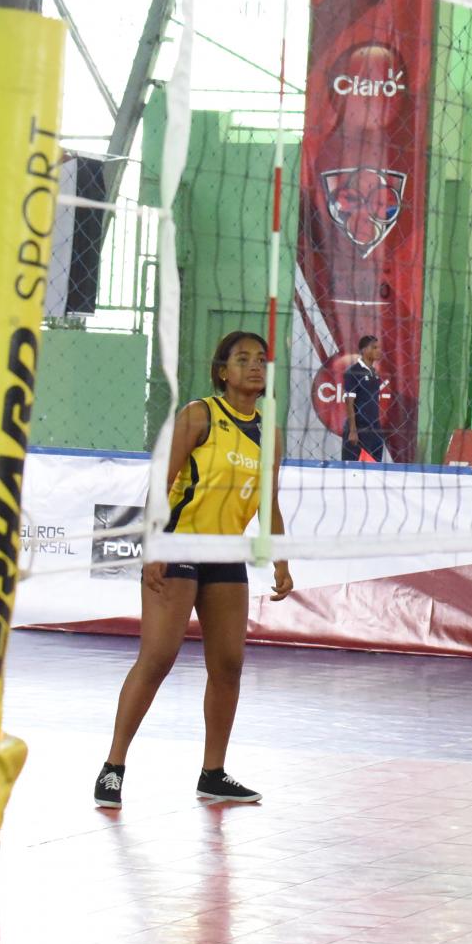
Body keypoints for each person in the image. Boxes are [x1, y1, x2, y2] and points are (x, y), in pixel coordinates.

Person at [97, 331, 294, 810]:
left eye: (260, 360)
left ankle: (213, 773)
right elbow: (160, 484)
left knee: (228, 665)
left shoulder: (270, 430)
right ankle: (113, 768)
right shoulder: (199, 415)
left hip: (226, 553)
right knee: (159, 656)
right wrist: (153, 545)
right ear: (221, 371)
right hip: (180, 543)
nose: (253, 366)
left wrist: (282, 557)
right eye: (241, 359)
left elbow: (268, 500)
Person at [341, 335, 387, 462]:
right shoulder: (353, 372)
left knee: (374, 470)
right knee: (353, 471)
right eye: (374, 347)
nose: (378, 351)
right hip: (359, 429)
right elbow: (349, 402)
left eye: (378, 348)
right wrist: (353, 430)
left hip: (375, 429)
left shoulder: (375, 373)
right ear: (364, 350)